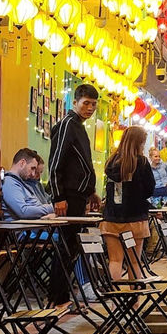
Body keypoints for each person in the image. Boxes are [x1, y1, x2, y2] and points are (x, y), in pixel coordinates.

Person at [48, 83, 100, 305]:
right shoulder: (68, 124)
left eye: (93, 104)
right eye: (86, 103)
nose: (90, 108)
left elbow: (81, 165)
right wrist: (58, 197)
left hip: (79, 196)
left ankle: (63, 296)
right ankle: (58, 298)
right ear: (75, 102)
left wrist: (91, 192)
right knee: (67, 246)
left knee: (72, 247)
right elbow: (55, 162)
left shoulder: (78, 126)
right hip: (67, 196)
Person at [100, 126, 155, 281]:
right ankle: (134, 303)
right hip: (135, 218)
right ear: (138, 143)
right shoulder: (142, 162)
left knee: (115, 260)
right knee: (134, 262)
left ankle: (114, 302)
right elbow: (150, 189)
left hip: (112, 218)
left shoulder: (111, 162)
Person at [2, 148, 55, 220]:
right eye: (32, 168)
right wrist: (52, 208)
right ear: (22, 163)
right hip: (24, 229)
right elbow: (23, 211)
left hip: (36, 227)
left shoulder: (23, 183)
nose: (33, 174)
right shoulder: (10, 183)